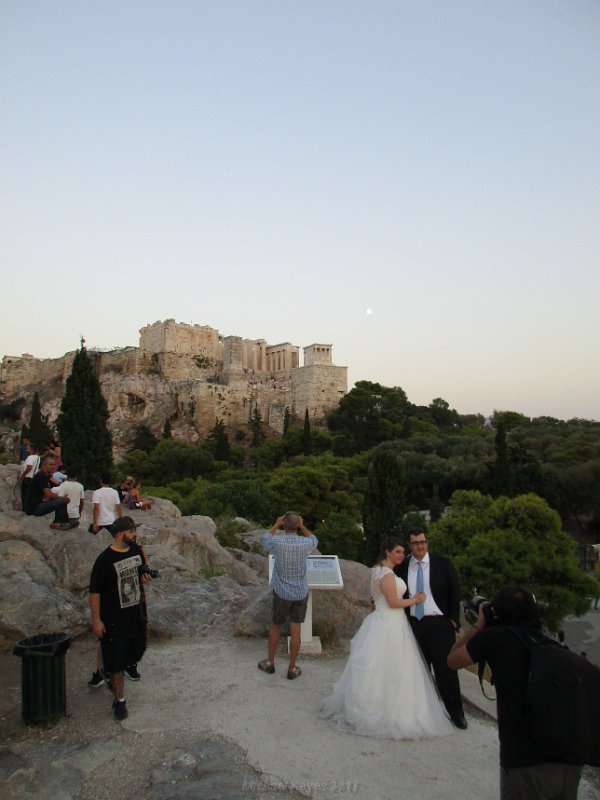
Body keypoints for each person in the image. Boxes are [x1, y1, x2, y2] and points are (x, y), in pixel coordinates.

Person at [448, 585, 583, 800]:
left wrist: (480, 623)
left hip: (525, 761)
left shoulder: (496, 639)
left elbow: (453, 659)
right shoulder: (548, 643)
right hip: (569, 761)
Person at [320, 538, 453, 739]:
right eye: (398, 552)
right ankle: (387, 710)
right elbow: (393, 602)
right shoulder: (388, 574)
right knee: (391, 665)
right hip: (390, 622)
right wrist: (415, 600)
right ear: (387, 552)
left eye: (402, 552)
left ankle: (371, 703)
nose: (402, 555)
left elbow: (379, 598)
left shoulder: (378, 570)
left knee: (379, 666)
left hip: (384, 621)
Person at [395, 529, 467, 729]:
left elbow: (455, 591)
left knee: (446, 672)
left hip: (439, 624)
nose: (420, 546)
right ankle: (424, 714)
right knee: (418, 671)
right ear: (409, 546)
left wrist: (453, 620)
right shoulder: (402, 567)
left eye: (423, 542)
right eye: (416, 543)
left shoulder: (442, 563)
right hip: (413, 625)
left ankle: (456, 713)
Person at [88, 516, 152, 719]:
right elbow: (94, 592)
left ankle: (108, 671)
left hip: (136, 614)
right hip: (114, 619)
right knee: (117, 661)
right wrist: (96, 620)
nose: (135, 535)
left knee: (137, 651)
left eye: (135, 531)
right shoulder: (104, 560)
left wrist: (145, 574)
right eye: (131, 531)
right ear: (119, 533)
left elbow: (142, 569)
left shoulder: (136, 551)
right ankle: (119, 700)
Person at [258, 511, 317, 680]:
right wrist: (302, 526)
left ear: (284, 524)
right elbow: (315, 539)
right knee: (296, 627)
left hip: (282, 591)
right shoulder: (305, 544)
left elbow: (265, 539)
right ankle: (292, 668)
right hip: (300, 591)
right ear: (297, 525)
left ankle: (270, 662)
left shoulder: (277, 542)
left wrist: (276, 524)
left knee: (276, 625)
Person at [24, 455, 70, 529]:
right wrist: (62, 498)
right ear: (44, 465)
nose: (53, 467)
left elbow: (55, 485)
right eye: (50, 464)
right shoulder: (41, 475)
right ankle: (63, 523)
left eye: (54, 465)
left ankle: (58, 522)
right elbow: (49, 494)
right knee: (63, 501)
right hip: (34, 509)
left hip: (37, 505)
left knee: (60, 500)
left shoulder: (45, 476)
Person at [19, 444, 40, 511]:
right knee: (31, 494)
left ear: (31, 450)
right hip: (33, 478)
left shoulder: (30, 457)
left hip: (27, 478)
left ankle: (25, 509)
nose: (26, 450)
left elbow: (29, 467)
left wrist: (23, 475)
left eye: (27, 449)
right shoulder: (37, 457)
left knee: (25, 494)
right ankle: (30, 508)